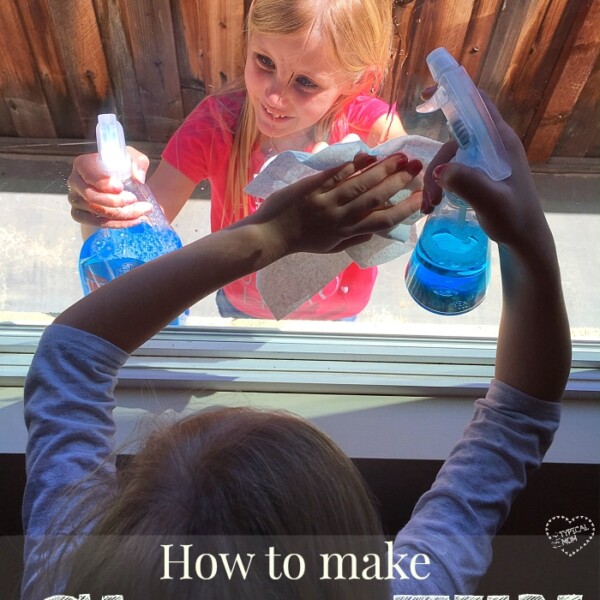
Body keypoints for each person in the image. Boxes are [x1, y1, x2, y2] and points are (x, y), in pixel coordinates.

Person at [22, 96, 571, 599]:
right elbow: (518, 418)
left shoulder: (71, 581)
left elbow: (68, 356)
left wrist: (266, 234)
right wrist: (531, 240)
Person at [67, 0, 408, 321]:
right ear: (249, 41)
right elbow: (132, 238)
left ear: (359, 81)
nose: (274, 97)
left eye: (305, 82)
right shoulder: (213, 127)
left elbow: (406, 224)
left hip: (336, 318)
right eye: (264, 61)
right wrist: (109, 196)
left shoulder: (375, 132)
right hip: (242, 310)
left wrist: (354, 177)